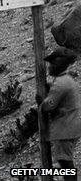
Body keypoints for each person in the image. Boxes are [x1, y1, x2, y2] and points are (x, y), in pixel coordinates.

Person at [39, 47, 80, 181]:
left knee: (65, 162)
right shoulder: (66, 80)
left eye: (51, 64)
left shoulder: (61, 84)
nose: (49, 67)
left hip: (65, 127)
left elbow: (48, 105)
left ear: (59, 65)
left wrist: (41, 102)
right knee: (65, 161)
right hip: (70, 125)